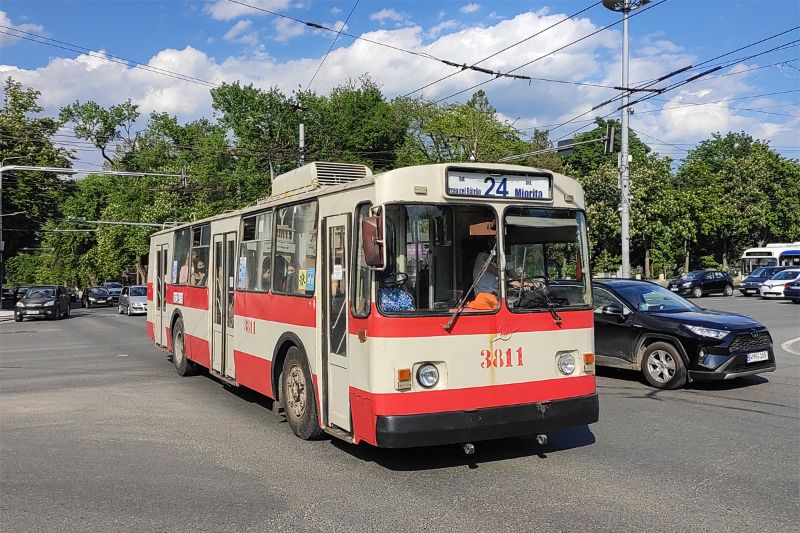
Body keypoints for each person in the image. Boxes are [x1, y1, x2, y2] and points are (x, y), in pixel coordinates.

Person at [467, 237, 519, 310]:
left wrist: (508, 262)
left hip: (496, 297)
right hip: (485, 298)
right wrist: (518, 284)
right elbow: (500, 274)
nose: (496, 245)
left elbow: (515, 277)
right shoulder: (482, 256)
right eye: (494, 242)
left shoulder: (499, 259)